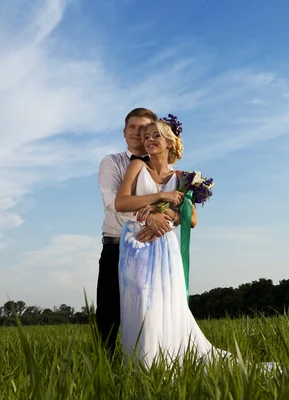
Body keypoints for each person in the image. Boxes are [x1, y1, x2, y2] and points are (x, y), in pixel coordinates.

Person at [114, 117, 234, 368]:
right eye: (146, 136)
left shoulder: (182, 177)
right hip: (136, 242)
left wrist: (168, 213)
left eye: (155, 135)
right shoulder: (136, 166)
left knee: (164, 304)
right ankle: (141, 367)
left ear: (170, 142)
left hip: (165, 245)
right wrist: (161, 196)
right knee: (141, 306)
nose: (149, 140)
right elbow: (121, 203)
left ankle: (167, 364)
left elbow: (192, 220)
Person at [96, 108, 180, 356]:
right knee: (110, 312)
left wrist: (164, 221)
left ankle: (154, 359)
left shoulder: (171, 171)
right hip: (117, 244)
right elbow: (113, 202)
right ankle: (106, 369)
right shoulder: (113, 162)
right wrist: (150, 216)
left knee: (152, 311)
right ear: (124, 132)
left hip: (156, 247)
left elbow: (181, 211)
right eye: (132, 127)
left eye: (144, 128)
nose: (138, 132)